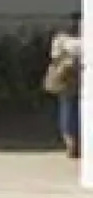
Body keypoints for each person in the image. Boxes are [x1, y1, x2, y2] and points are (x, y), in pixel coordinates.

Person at [47, 13, 83, 158]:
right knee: (71, 108)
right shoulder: (68, 40)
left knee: (68, 109)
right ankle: (73, 142)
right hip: (72, 79)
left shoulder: (62, 39)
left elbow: (54, 57)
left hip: (68, 79)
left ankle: (72, 141)